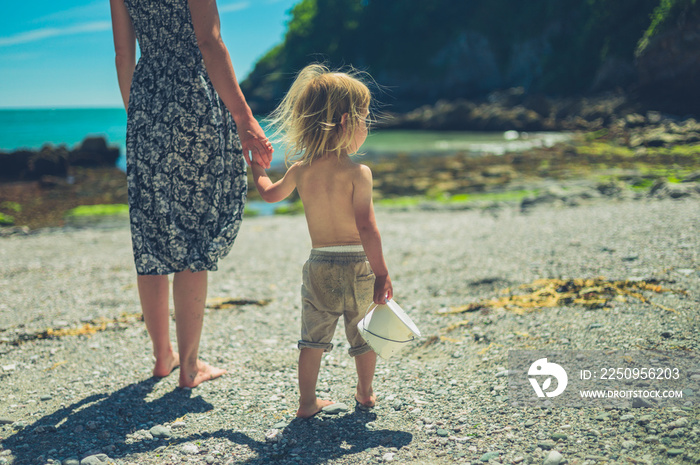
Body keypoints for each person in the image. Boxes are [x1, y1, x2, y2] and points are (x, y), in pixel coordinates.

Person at [109, 0, 273, 388]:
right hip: (193, 100)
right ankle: (190, 366)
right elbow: (209, 42)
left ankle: (162, 357)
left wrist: (141, 115)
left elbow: (122, 55)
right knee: (193, 233)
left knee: (152, 237)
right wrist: (244, 117)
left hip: (146, 102)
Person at [250, 64, 393, 417]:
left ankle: (306, 402)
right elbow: (367, 228)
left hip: (319, 266)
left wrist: (257, 166)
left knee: (312, 339)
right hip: (358, 265)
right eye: (364, 119)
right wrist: (382, 273)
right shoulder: (359, 173)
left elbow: (268, 195)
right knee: (363, 336)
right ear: (345, 122)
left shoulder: (301, 169)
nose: (367, 126)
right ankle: (364, 392)